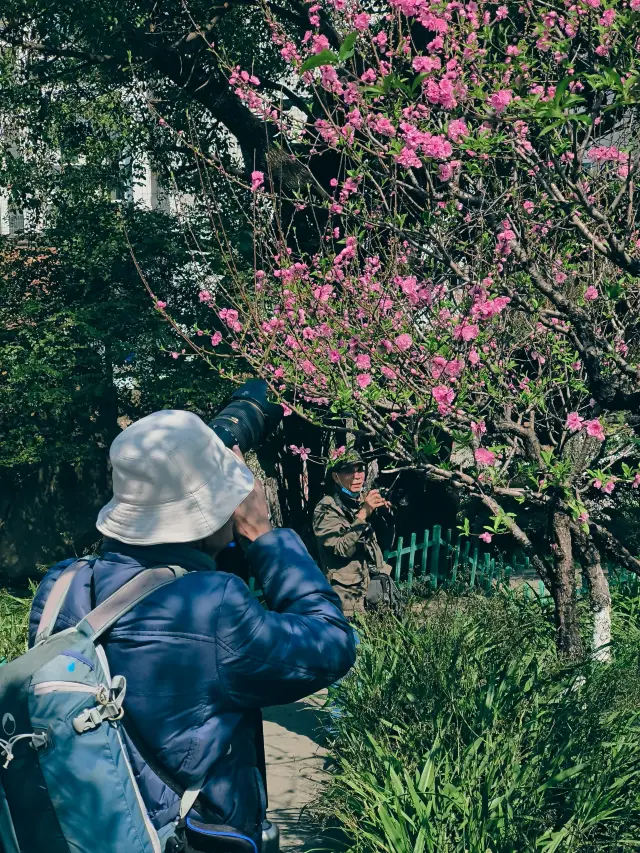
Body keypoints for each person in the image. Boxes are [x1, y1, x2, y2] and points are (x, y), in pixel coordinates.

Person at [28, 409, 356, 849]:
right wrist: (262, 535)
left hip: (87, 832)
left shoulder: (61, 586)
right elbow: (332, 644)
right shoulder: (212, 606)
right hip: (192, 839)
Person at [312, 452, 396, 618]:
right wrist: (364, 514)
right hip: (347, 602)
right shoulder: (325, 509)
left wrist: (385, 516)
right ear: (336, 477)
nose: (357, 476)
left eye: (360, 470)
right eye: (349, 471)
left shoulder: (361, 501)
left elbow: (386, 544)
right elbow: (341, 549)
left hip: (374, 593)